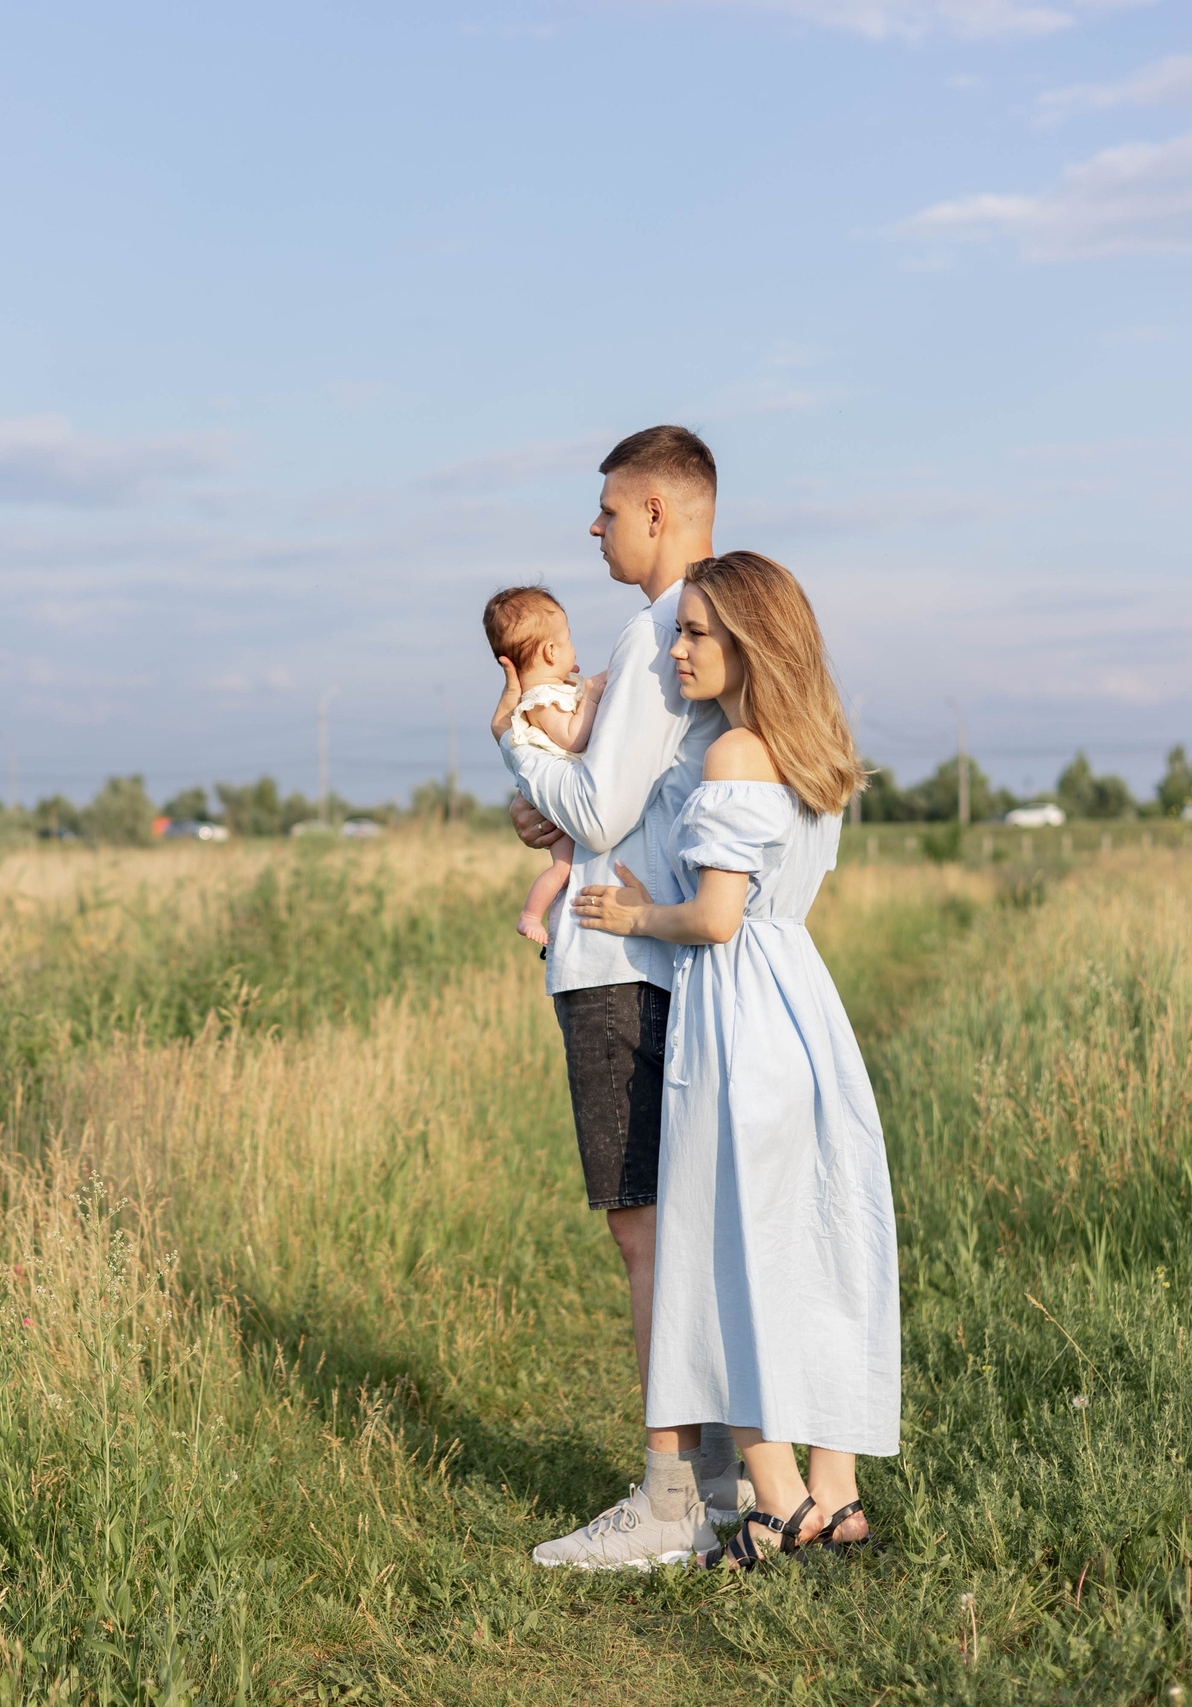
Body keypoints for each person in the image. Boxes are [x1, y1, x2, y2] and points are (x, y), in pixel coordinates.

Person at [570, 550, 898, 1566]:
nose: (677, 648)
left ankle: (775, 1498)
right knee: (816, 1252)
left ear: (751, 640)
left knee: (728, 1257)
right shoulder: (814, 752)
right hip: (804, 1004)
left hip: (739, 1019)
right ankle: (836, 1496)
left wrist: (633, 912)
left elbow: (714, 919)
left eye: (696, 631)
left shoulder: (734, 756)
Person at [492, 426, 746, 1569]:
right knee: (668, 1226)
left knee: (642, 1232)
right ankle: (715, 1477)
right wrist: (554, 798)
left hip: (614, 965)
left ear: (653, 511)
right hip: (647, 950)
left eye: (603, 510)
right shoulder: (691, 625)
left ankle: (668, 1501)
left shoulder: (658, 633)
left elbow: (595, 815)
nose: (591, 529)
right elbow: (614, 798)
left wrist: (517, 751)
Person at [479, 584, 607, 946]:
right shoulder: (540, 700)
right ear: (552, 651)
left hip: (562, 793)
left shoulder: (556, 690)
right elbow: (572, 738)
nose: (572, 649)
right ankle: (531, 915)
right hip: (556, 802)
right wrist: (593, 695)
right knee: (563, 867)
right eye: (567, 641)